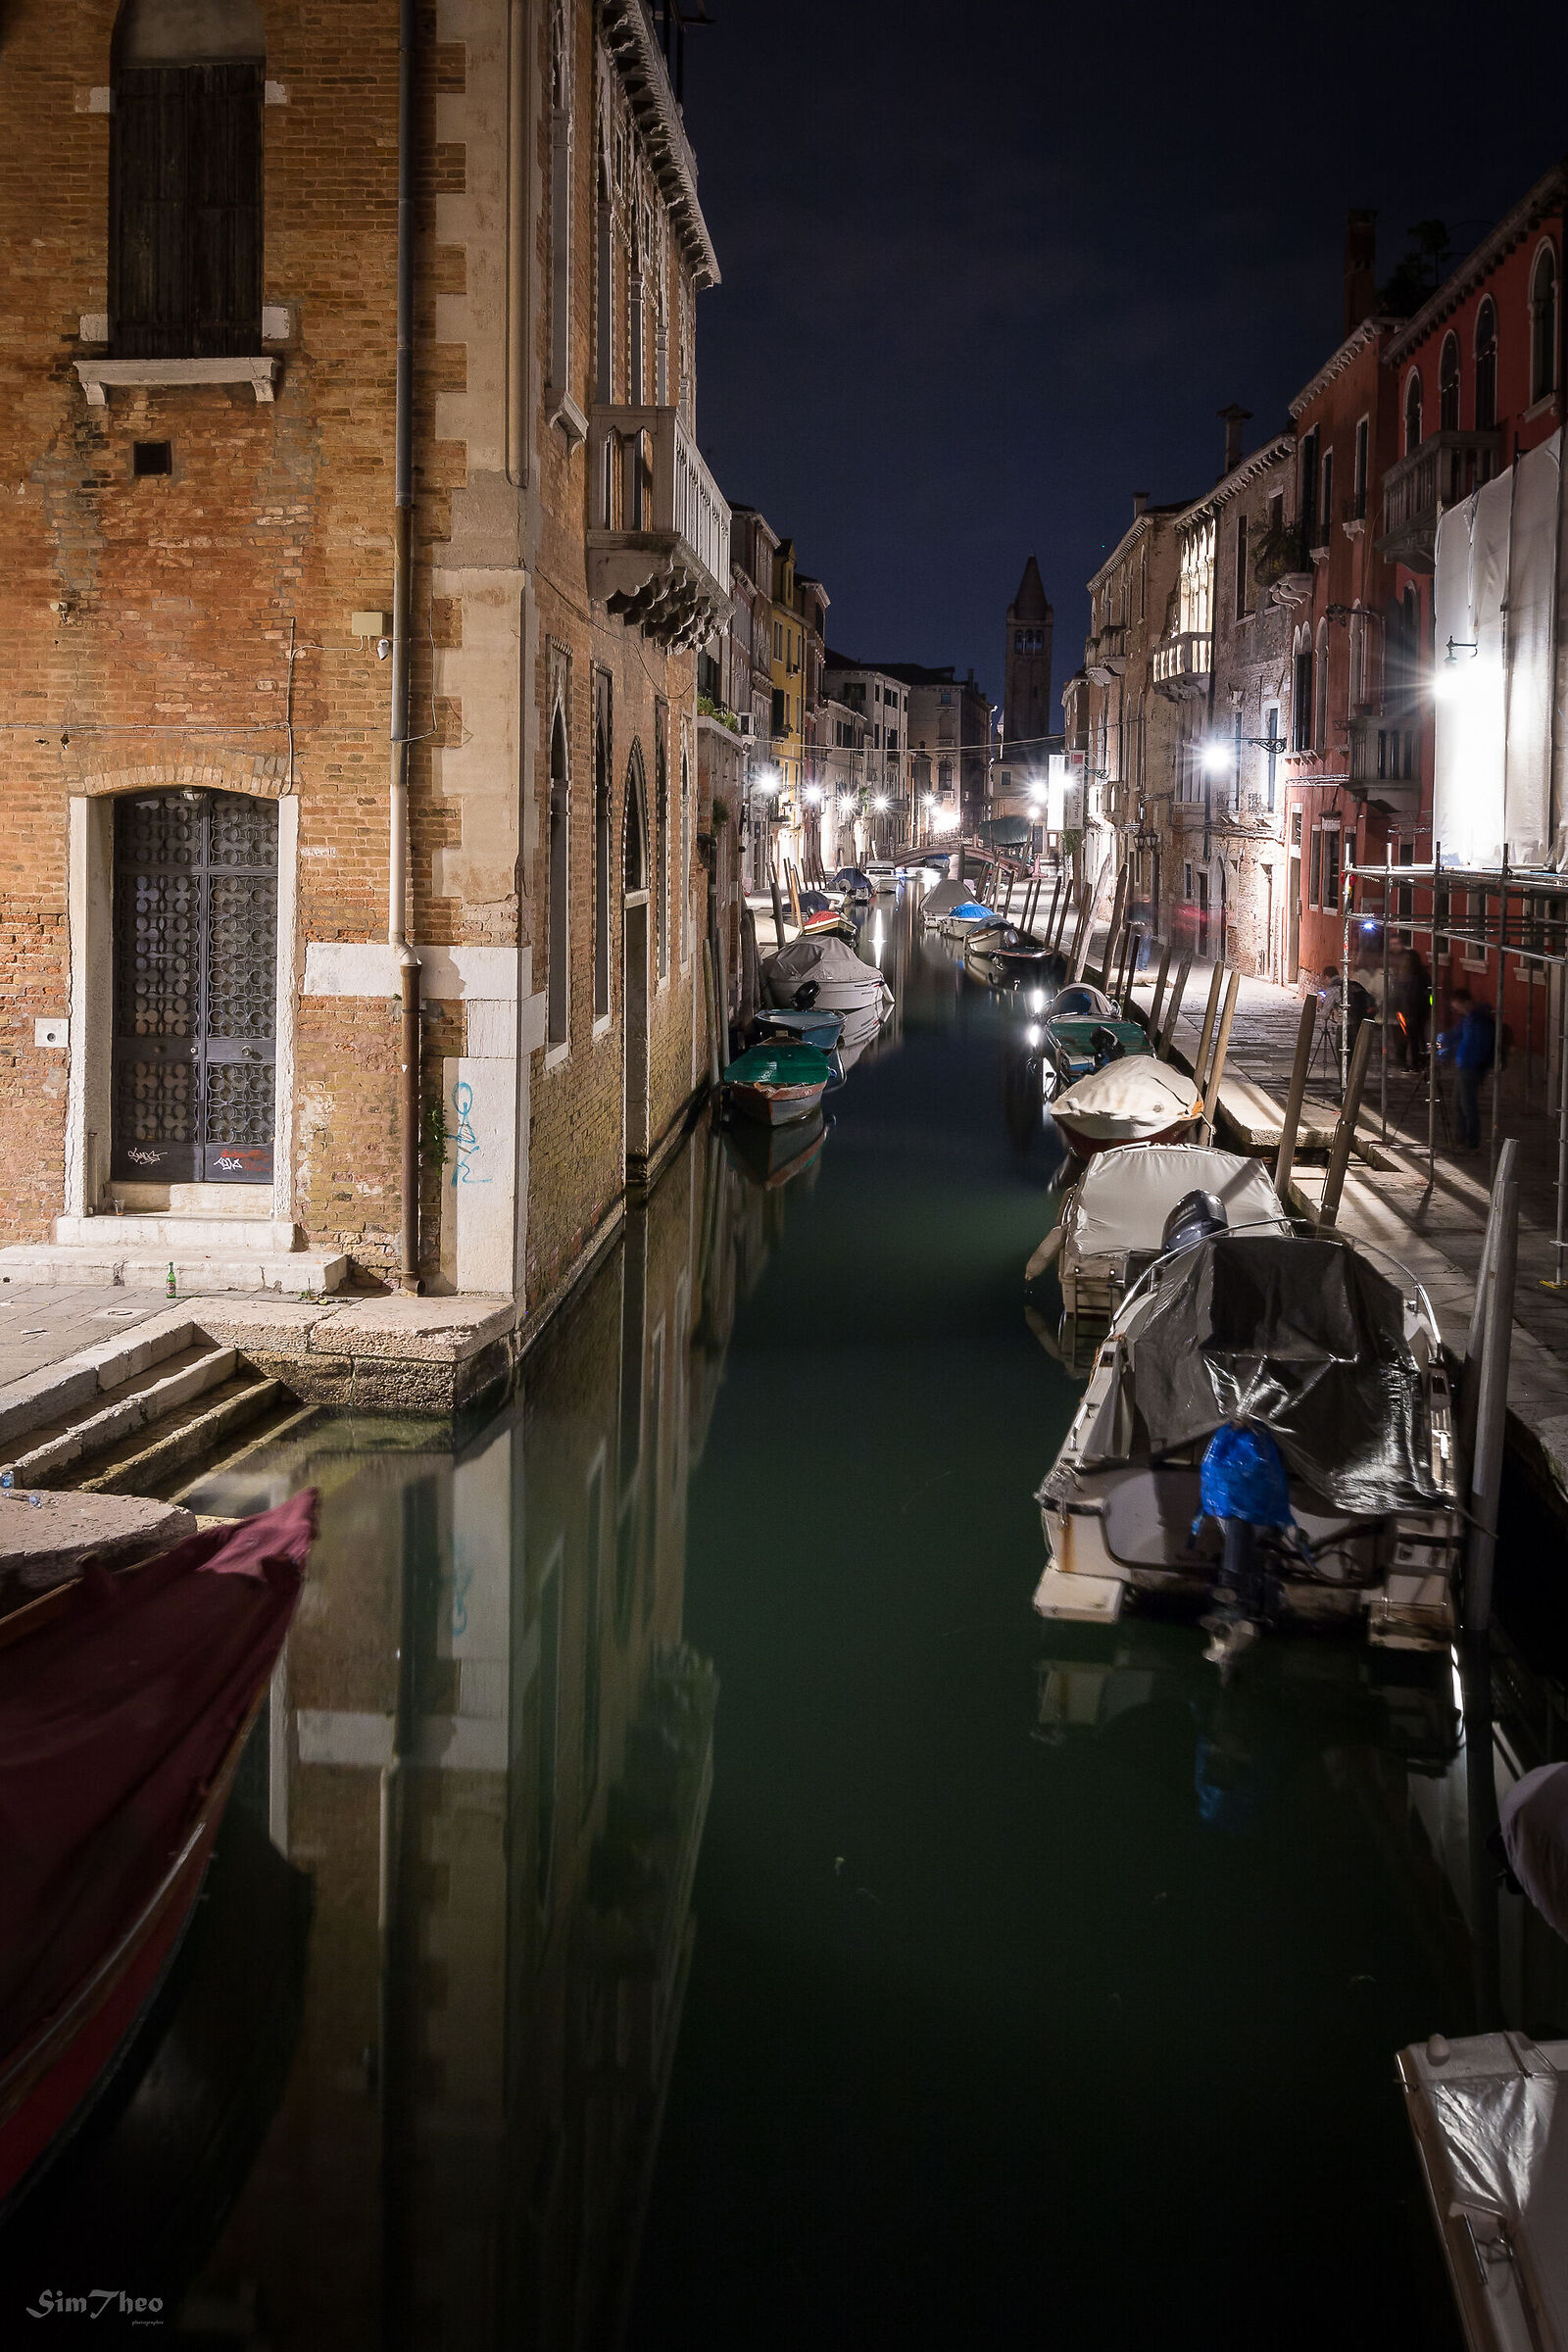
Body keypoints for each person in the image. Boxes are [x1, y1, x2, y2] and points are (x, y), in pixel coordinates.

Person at [1439, 987, 1495, 1152]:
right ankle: (1460, 1139)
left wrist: (1473, 1063)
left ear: (1468, 1002)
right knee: (1457, 1103)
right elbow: (1456, 1035)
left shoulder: (1480, 1021)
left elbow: (1479, 1046)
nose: (1458, 1011)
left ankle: (1471, 1143)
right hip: (1463, 1065)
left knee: (1467, 1105)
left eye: (1459, 1007)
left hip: (1471, 1068)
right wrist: (1440, 1042)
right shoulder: (1468, 1019)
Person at [1391, 946, 1430, 1069]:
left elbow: (1404, 995)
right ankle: (1420, 1061)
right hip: (1418, 1011)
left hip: (1410, 1011)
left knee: (1412, 1038)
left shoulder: (1409, 977)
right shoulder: (1423, 976)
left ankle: (1415, 1063)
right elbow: (1429, 995)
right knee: (1419, 1037)